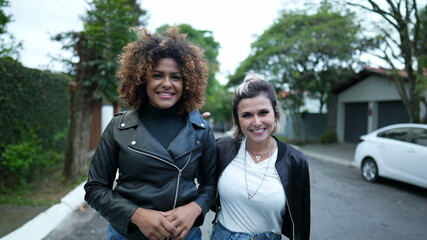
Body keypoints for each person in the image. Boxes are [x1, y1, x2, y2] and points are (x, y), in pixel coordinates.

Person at [84, 27, 217, 240]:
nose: (167, 83)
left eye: (176, 77)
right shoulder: (119, 128)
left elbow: (210, 185)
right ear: (142, 79)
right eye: (157, 75)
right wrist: (136, 215)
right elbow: (95, 188)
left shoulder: (200, 129)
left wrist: (195, 207)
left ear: (187, 83)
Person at [210, 71, 310, 240]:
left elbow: (301, 220)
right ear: (237, 120)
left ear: (275, 113)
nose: (256, 122)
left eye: (263, 112)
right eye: (247, 115)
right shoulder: (221, 148)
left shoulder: (295, 160)